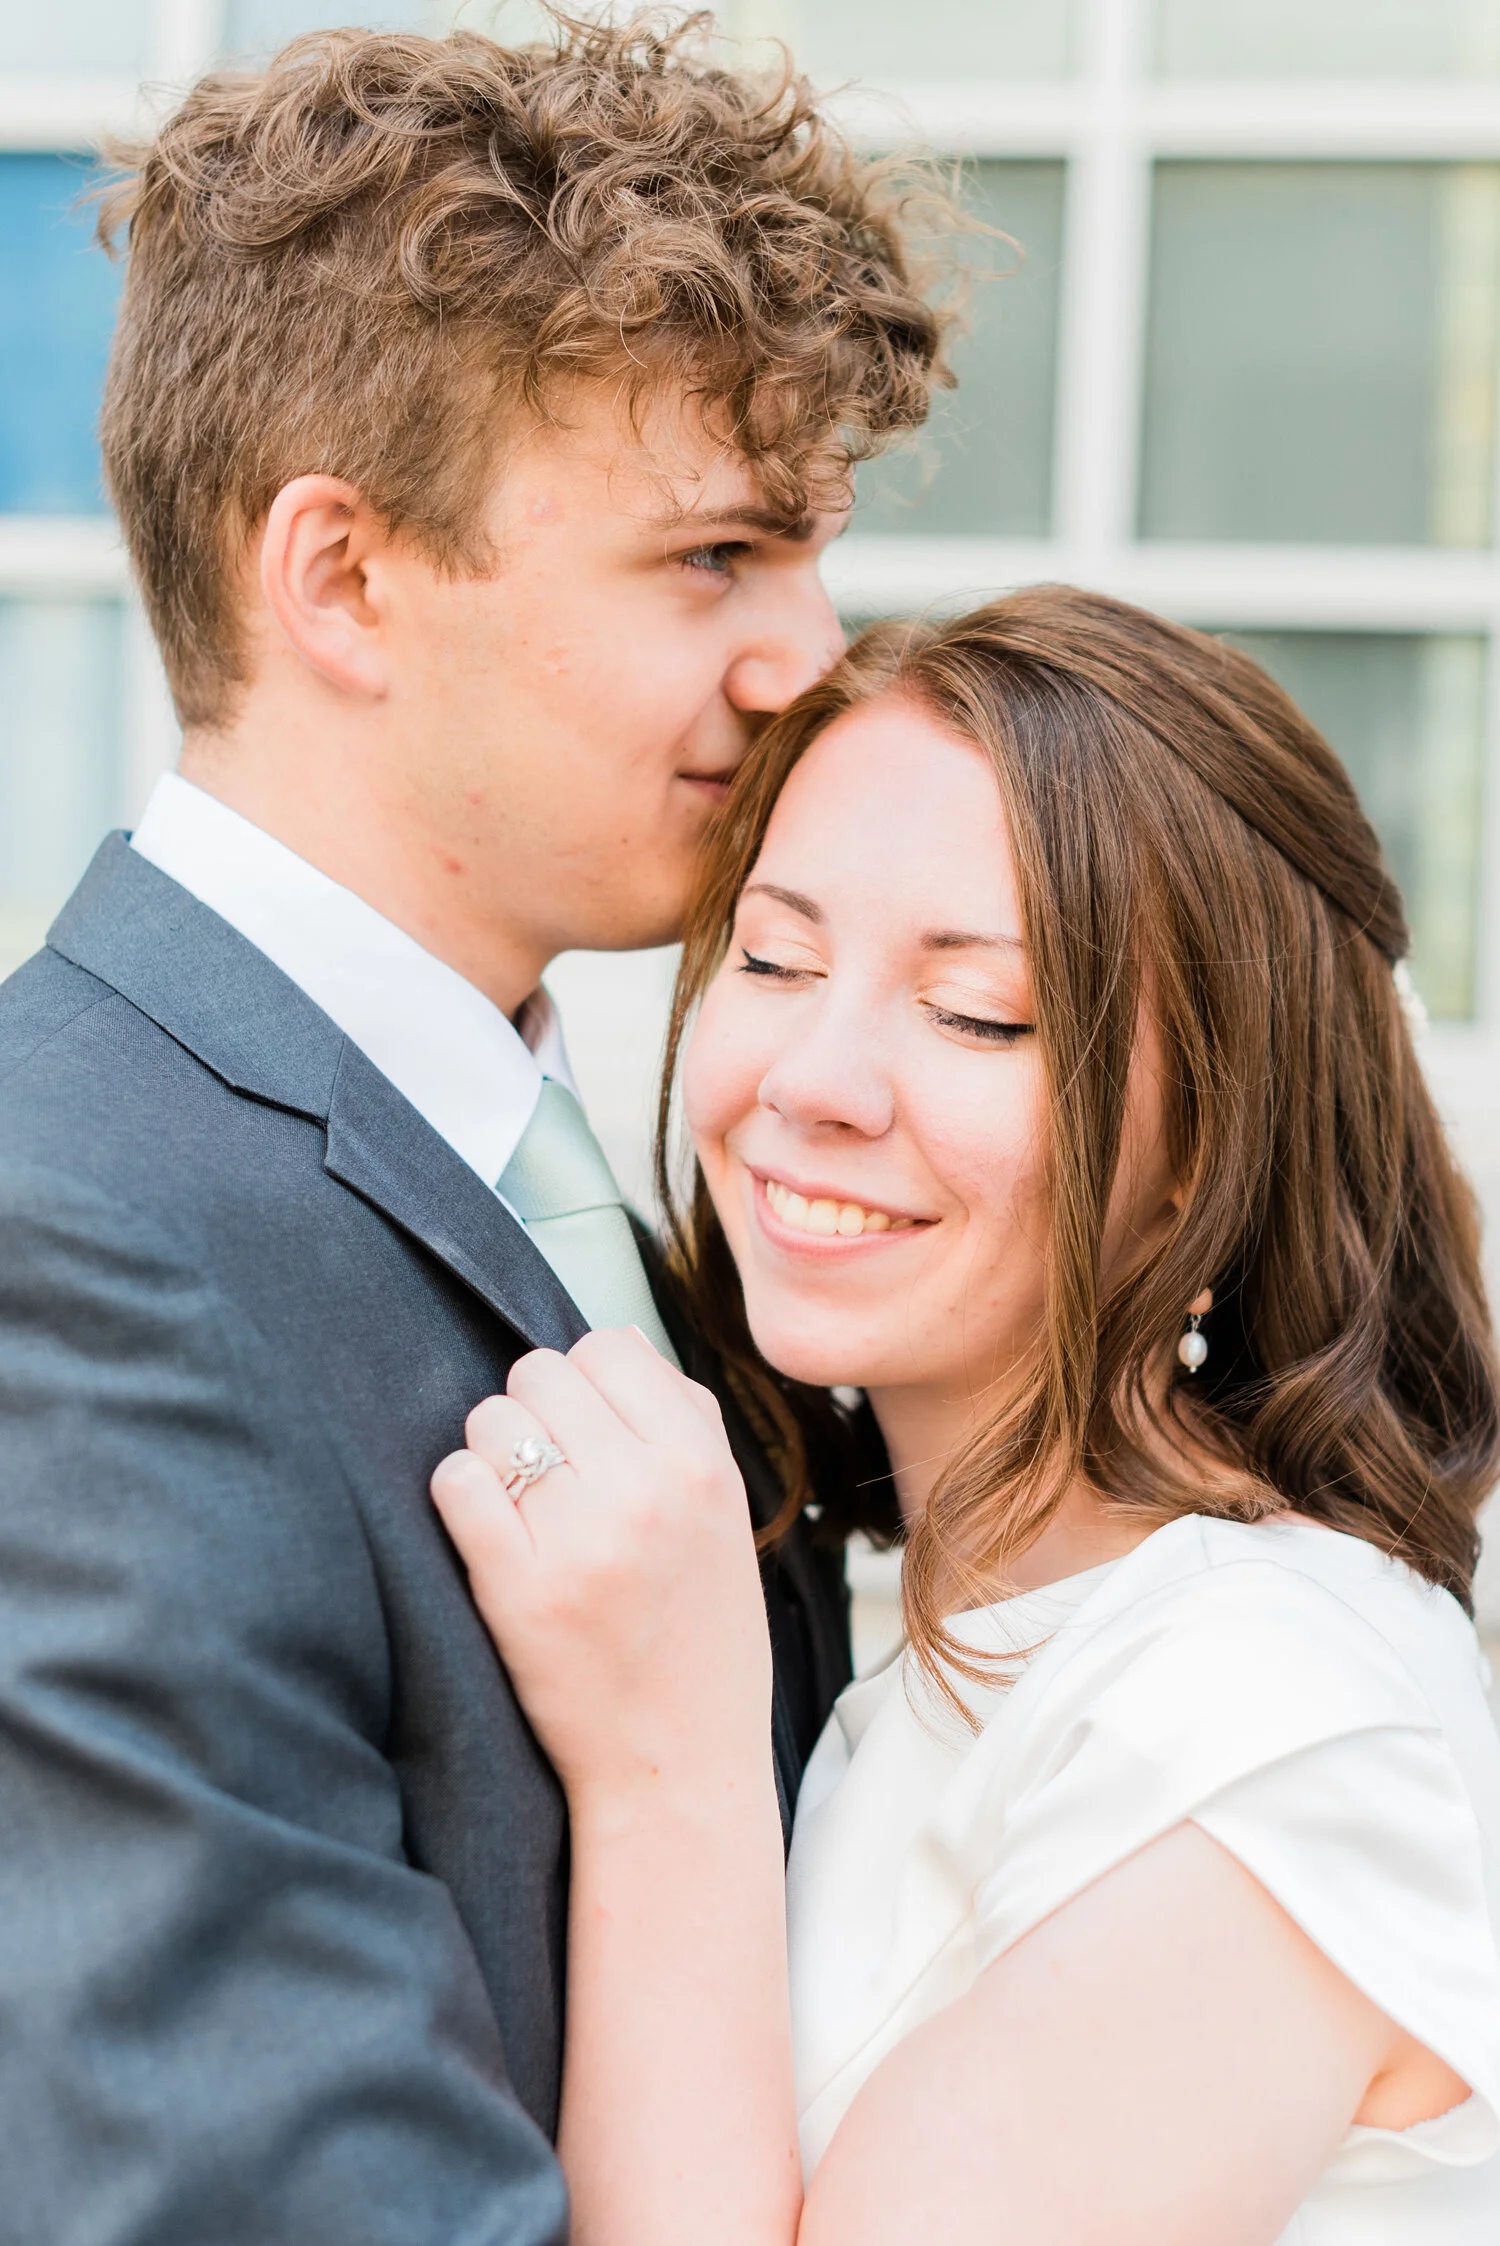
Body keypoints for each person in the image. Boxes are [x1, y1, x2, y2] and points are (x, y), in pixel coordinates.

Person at [0, 18, 953, 2242]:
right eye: (711, 556)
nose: (809, 655)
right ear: (342, 580)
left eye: (812, 553)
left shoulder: (566, 1150)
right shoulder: (68, 1247)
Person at [434, 586, 1500, 2246]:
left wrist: (670, 1772)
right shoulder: (965, 1639)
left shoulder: (1273, 1715)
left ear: (1210, 1148)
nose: (813, 1079)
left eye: (977, 1011)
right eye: (775, 958)